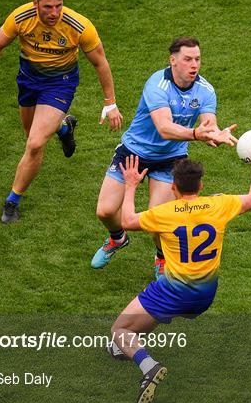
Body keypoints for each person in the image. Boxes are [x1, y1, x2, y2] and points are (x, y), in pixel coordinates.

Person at [108, 133, 251, 403]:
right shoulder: (218, 205)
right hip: (205, 297)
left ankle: (148, 366)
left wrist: (130, 185)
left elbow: (126, 220)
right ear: (201, 185)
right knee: (152, 313)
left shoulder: (165, 213)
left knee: (119, 328)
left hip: (174, 293)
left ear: (173, 187)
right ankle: (127, 345)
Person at [0, 0, 122, 223]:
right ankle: (64, 128)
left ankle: (12, 201)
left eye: (58, 6)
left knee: (34, 144)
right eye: (48, 7)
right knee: (30, 133)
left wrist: (110, 102)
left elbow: (100, 62)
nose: (54, 13)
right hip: (28, 81)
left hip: (60, 84)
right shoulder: (21, 17)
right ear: (36, 4)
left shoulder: (79, 26)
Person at [91, 36, 238, 277]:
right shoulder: (157, 84)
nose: (194, 65)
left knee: (159, 220)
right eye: (188, 59)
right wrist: (195, 134)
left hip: (171, 159)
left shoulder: (206, 91)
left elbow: (208, 123)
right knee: (105, 211)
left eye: (198, 59)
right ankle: (118, 238)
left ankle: (161, 258)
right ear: (173, 61)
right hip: (134, 152)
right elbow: (164, 127)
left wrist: (214, 132)